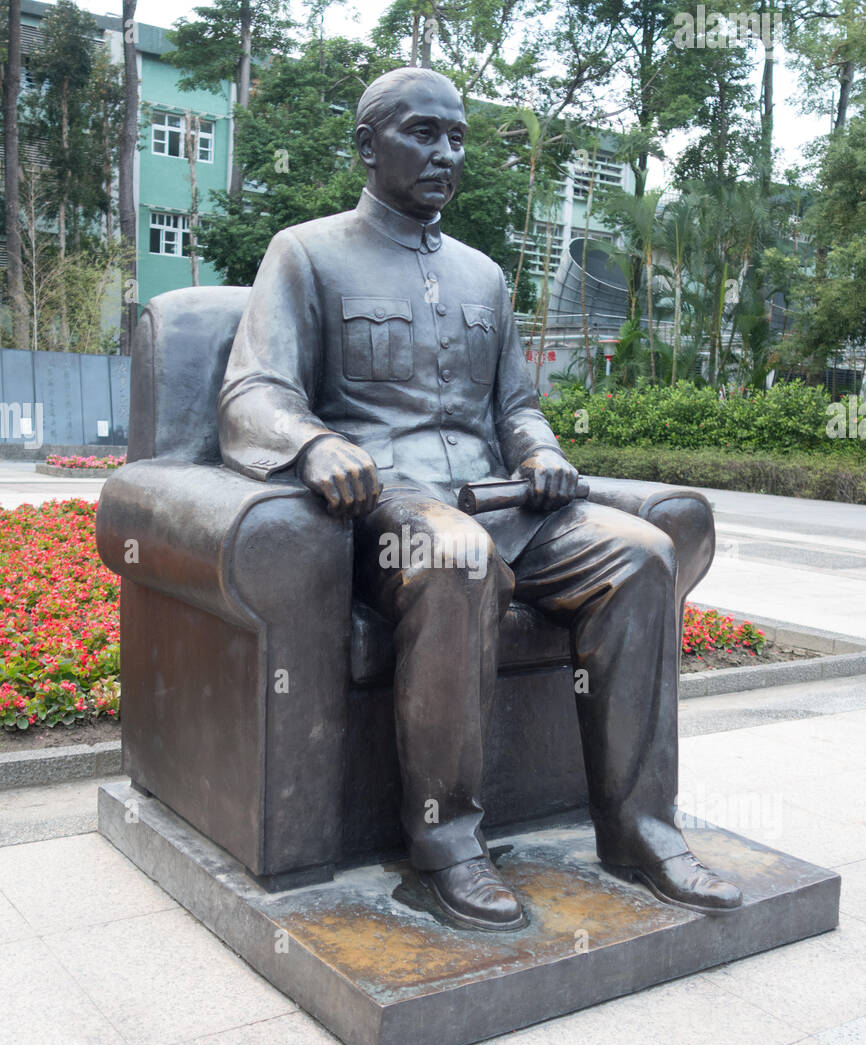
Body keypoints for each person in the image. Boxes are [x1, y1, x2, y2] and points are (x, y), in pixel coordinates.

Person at [218, 66, 742, 930]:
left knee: (642, 554)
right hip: (390, 512)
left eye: (456, 138)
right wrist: (314, 443)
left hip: (506, 508)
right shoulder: (306, 254)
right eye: (423, 133)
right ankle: (446, 847)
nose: (445, 154)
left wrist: (541, 451)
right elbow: (254, 393)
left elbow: (517, 407)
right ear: (368, 144)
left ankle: (640, 831)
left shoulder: (484, 278)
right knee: (455, 555)